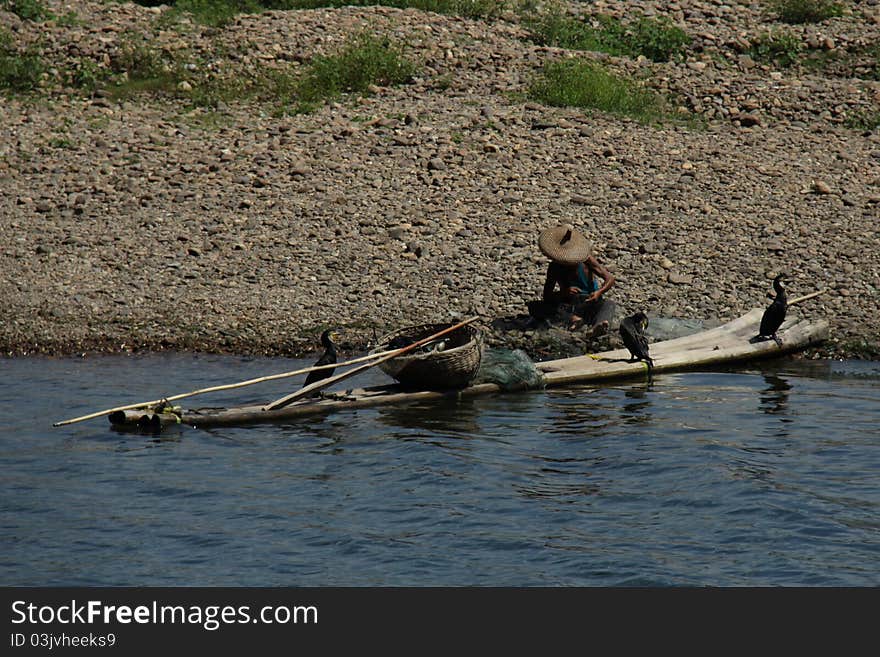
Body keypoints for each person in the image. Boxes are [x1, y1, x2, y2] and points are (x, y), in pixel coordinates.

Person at [527, 223, 616, 335]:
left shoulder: (586, 260)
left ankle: (598, 325)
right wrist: (563, 293)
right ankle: (575, 319)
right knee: (535, 307)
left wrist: (599, 292)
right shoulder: (554, 267)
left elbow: (610, 278)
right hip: (569, 303)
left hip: (589, 299)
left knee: (609, 304)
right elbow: (547, 296)